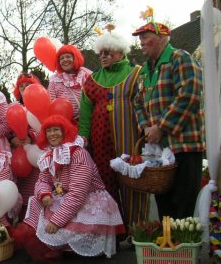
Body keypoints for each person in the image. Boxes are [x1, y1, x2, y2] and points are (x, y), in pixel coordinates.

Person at [13, 115, 125, 264]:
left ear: (65, 131)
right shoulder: (50, 155)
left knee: (64, 223)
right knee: (35, 201)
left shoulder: (79, 154)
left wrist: (56, 221)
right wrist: (44, 194)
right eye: (48, 131)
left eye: (56, 130)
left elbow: (78, 193)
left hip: (88, 200)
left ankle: (70, 246)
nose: (52, 134)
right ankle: (52, 244)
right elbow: (42, 180)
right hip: (64, 196)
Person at [132, 20, 205, 219]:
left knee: (183, 207)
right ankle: (167, 239)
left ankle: (182, 240)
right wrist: (146, 127)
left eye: (145, 37)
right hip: (159, 150)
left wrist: (161, 127)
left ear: (162, 38)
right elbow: (137, 102)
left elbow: (189, 94)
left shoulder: (180, 58)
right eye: (140, 38)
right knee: (164, 208)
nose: (141, 42)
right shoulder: (144, 71)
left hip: (184, 147)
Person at [78, 27, 147, 229]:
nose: (103, 57)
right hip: (100, 139)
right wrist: (83, 136)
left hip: (129, 135)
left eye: (108, 52)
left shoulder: (137, 73)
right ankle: (113, 231)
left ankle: (137, 229)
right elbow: (86, 112)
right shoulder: (92, 80)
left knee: (132, 179)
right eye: (100, 53)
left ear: (120, 52)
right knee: (106, 182)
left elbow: (145, 103)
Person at [10, 72, 42, 219]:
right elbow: (8, 130)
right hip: (19, 156)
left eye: (27, 84)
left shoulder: (41, 105)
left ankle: (37, 220)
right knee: (22, 188)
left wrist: (31, 137)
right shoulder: (14, 107)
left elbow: (46, 128)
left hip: (36, 153)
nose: (24, 87)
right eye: (21, 86)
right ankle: (23, 219)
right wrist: (12, 139)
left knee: (36, 188)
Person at [47, 44, 92, 121]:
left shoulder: (87, 75)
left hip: (87, 122)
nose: (64, 60)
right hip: (65, 123)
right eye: (61, 58)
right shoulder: (55, 81)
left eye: (68, 56)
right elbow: (50, 105)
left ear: (75, 58)